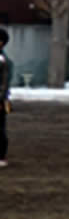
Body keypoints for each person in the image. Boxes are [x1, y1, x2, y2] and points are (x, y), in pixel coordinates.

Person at [0, 28, 11, 169]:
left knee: (0, 128)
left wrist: (1, 99)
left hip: (1, 100)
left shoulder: (3, 61)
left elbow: (4, 83)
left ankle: (1, 156)